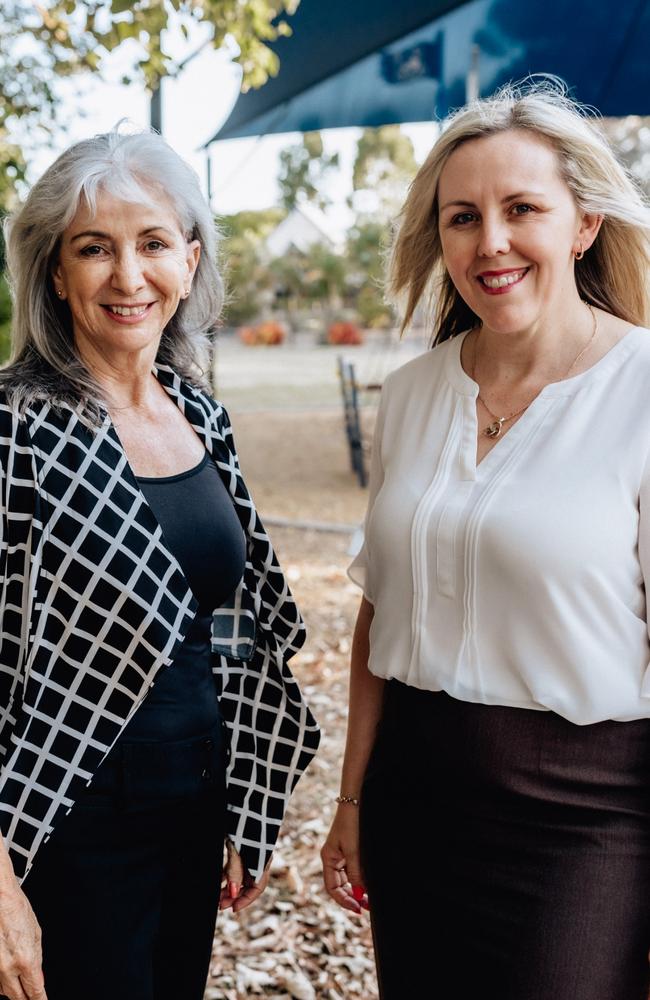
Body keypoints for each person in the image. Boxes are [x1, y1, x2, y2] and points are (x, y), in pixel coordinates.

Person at [321, 78, 650, 1000]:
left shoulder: (642, 390)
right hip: (418, 798)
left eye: (522, 210)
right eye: (462, 217)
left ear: (582, 224)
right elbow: (381, 614)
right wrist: (351, 801)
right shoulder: (417, 392)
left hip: (589, 816)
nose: (491, 242)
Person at [0, 128, 319, 1000]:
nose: (128, 276)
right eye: (93, 248)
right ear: (54, 271)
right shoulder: (14, 427)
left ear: (190, 257)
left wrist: (243, 795)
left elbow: (237, 627)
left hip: (191, 811)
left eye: (151, 244)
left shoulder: (198, 416)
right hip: (60, 821)